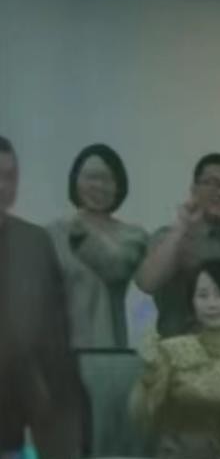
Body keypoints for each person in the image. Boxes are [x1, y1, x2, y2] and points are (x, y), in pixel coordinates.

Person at [130, 260, 220, 459]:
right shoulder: (170, 350)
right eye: (203, 295)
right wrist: (150, 374)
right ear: (193, 302)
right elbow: (143, 418)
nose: (212, 304)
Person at [0, 136, 86, 458]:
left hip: (22, 409)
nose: (3, 186)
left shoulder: (34, 242)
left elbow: (55, 330)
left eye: (10, 176)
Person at [136, 153, 220, 338]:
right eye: (213, 183)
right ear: (194, 188)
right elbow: (147, 282)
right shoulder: (171, 237)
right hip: (181, 349)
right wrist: (181, 228)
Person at [47, 144, 148, 348]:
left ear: (119, 185)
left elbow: (116, 268)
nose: (99, 185)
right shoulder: (53, 233)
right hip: (60, 349)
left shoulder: (133, 236)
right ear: (75, 181)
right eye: (91, 177)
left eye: (107, 179)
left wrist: (82, 234)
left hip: (109, 349)